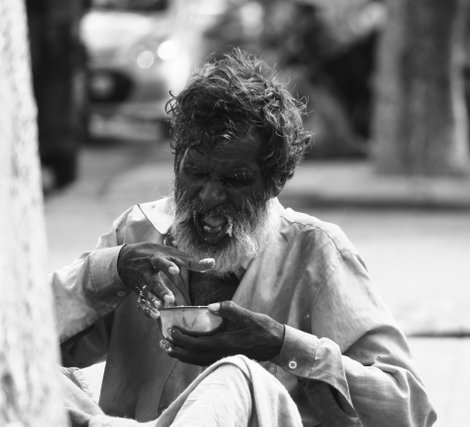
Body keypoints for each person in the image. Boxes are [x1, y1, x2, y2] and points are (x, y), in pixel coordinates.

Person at [53, 48, 437, 426]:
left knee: (234, 378)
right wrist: (112, 270)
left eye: (235, 181)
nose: (210, 196)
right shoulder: (138, 233)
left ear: (275, 182)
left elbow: (409, 409)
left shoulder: (316, 252)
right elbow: (25, 337)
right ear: (177, 163)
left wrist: (282, 345)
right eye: (196, 173)